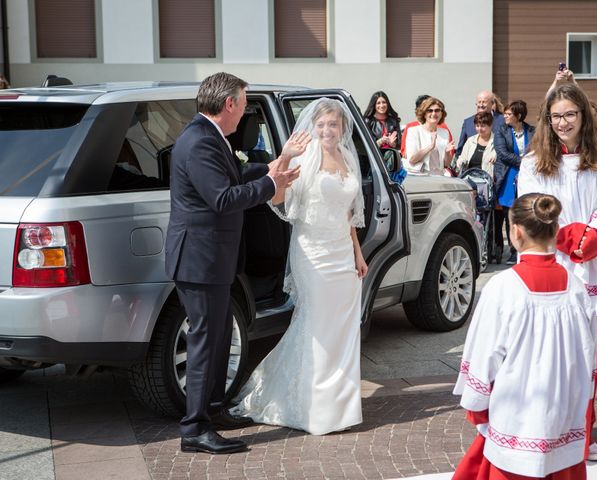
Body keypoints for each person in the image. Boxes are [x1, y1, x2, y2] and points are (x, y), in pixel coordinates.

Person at [165, 72, 306, 455]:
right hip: (199, 260)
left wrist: (272, 166)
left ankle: (213, 409)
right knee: (205, 344)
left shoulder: (211, 138)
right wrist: (271, 188)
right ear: (229, 104)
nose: (244, 114)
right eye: (243, 106)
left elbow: (234, 174)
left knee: (220, 339)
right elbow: (222, 198)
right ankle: (194, 428)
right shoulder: (198, 142)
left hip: (213, 260)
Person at [231, 98, 368, 435]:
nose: (327, 131)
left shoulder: (349, 158)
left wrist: (357, 254)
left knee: (342, 330)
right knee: (319, 327)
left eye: (333, 125)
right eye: (321, 125)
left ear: (342, 127)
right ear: (312, 127)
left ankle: (341, 407)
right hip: (313, 253)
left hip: (341, 254)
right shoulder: (306, 158)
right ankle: (314, 409)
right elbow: (277, 199)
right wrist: (286, 160)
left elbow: (349, 214)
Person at [518, 83, 597, 462]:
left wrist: (591, 238)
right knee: (548, 356)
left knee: (587, 358)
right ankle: (546, 432)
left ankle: (583, 435)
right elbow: (533, 206)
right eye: (556, 116)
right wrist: (570, 236)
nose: (563, 122)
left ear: (584, 115)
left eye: (570, 114)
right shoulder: (533, 162)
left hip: (592, 272)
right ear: (547, 121)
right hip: (550, 269)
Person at [452, 192, 596, 480]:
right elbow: (587, 356)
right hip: (563, 419)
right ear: (556, 230)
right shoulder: (576, 287)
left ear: (515, 232)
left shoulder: (503, 287)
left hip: (516, 423)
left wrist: (477, 404)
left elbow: (483, 357)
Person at [494, 100, 535, 264]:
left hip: (529, 176)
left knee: (527, 213)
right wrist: (523, 161)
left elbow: (537, 150)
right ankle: (513, 250)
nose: (505, 116)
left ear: (518, 116)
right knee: (510, 215)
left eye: (509, 114)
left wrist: (528, 163)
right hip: (508, 175)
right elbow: (502, 153)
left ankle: (529, 248)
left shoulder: (532, 131)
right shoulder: (501, 131)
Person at [405, 97, 455, 175]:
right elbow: (412, 159)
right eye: (430, 111)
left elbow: (446, 164)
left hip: (439, 177)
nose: (434, 113)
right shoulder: (414, 131)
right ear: (424, 114)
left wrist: (447, 153)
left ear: (441, 114)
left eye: (437, 110)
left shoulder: (444, 132)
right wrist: (430, 147)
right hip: (420, 177)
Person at [400, 94, 453, 158]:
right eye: (429, 110)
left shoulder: (443, 128)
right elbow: (405, 153)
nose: (433, 113)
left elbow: (450, 151)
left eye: (437, 110)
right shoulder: (411, 127)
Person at [456, 91, 505, 157]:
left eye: (484, 102)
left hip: (494, 164)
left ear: (492, 103)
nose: (481, 105)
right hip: (472, 166)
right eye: (479, 102)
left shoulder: (503, 120)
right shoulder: (468, 122)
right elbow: (460, 149)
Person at [456, 111, 496, 176]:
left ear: (491, 126)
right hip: (469, 179)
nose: (479, 129)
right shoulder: (470, 141)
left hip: (487, 181)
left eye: (483, 126)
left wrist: (496, 155)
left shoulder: (497, 141)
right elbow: (463, 157)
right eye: (477, 126)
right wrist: (460, 162)